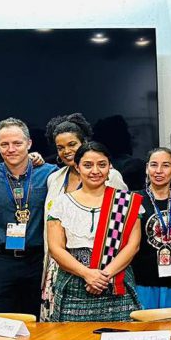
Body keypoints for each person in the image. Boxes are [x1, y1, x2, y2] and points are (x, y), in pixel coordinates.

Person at [41, 113, 127, 319]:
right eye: (60, 148)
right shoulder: (54, 178)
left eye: (72, 144)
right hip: (58, 265)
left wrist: (98, 275)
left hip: (103, 268)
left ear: (84, 143)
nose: (66, 151)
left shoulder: (111, 176)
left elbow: (122, 224)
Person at [46, 142, 142, 321]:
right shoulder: (61, 203)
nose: (95, 171)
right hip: (74, 282)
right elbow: (56, 248)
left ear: (110, 167)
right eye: (88, 165)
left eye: (102, 164)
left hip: (116, 282)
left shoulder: (126, 202)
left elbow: (133, 245)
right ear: (77, 167)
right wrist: (87, 274)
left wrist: (103, 276)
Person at [0, 118, 55, 316]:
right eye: (5, 144)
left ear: (29, 144)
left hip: (38, 260)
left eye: (17, 143)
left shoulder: (50, 174)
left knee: (38, 320)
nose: (11, 149)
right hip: (0, 261)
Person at [131, 148, 171, 309]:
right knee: (145, 332)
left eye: (165, 165)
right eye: (153, 165)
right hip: (143, 283)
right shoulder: (132, 199)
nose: (158, 171)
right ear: (146, 168)